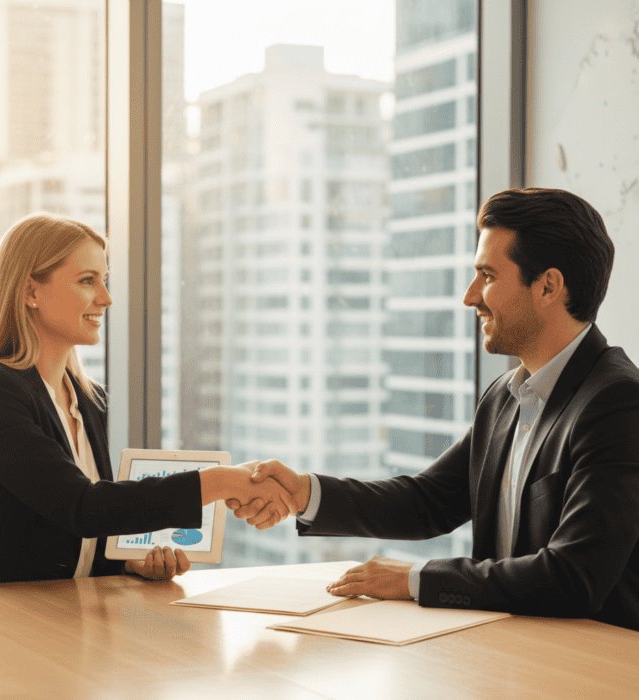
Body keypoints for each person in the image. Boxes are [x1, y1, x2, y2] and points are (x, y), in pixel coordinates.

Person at [230, 188, 639, 631]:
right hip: (513, 657)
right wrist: (303, 492)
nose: (469, 297)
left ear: (547, 286)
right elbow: (427, 502)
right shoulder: (504, 396)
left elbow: (573, 577)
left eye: (487, 276)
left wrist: (414, 579)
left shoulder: (618, 403)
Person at [0, 213, 293, 586]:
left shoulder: (88, 398)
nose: (106, 299)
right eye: (87, 281)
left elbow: (79, 535)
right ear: (31, 292)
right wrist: (222, 482)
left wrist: (124, 564)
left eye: (104, 280)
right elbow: (81, 507)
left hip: (66, 608)